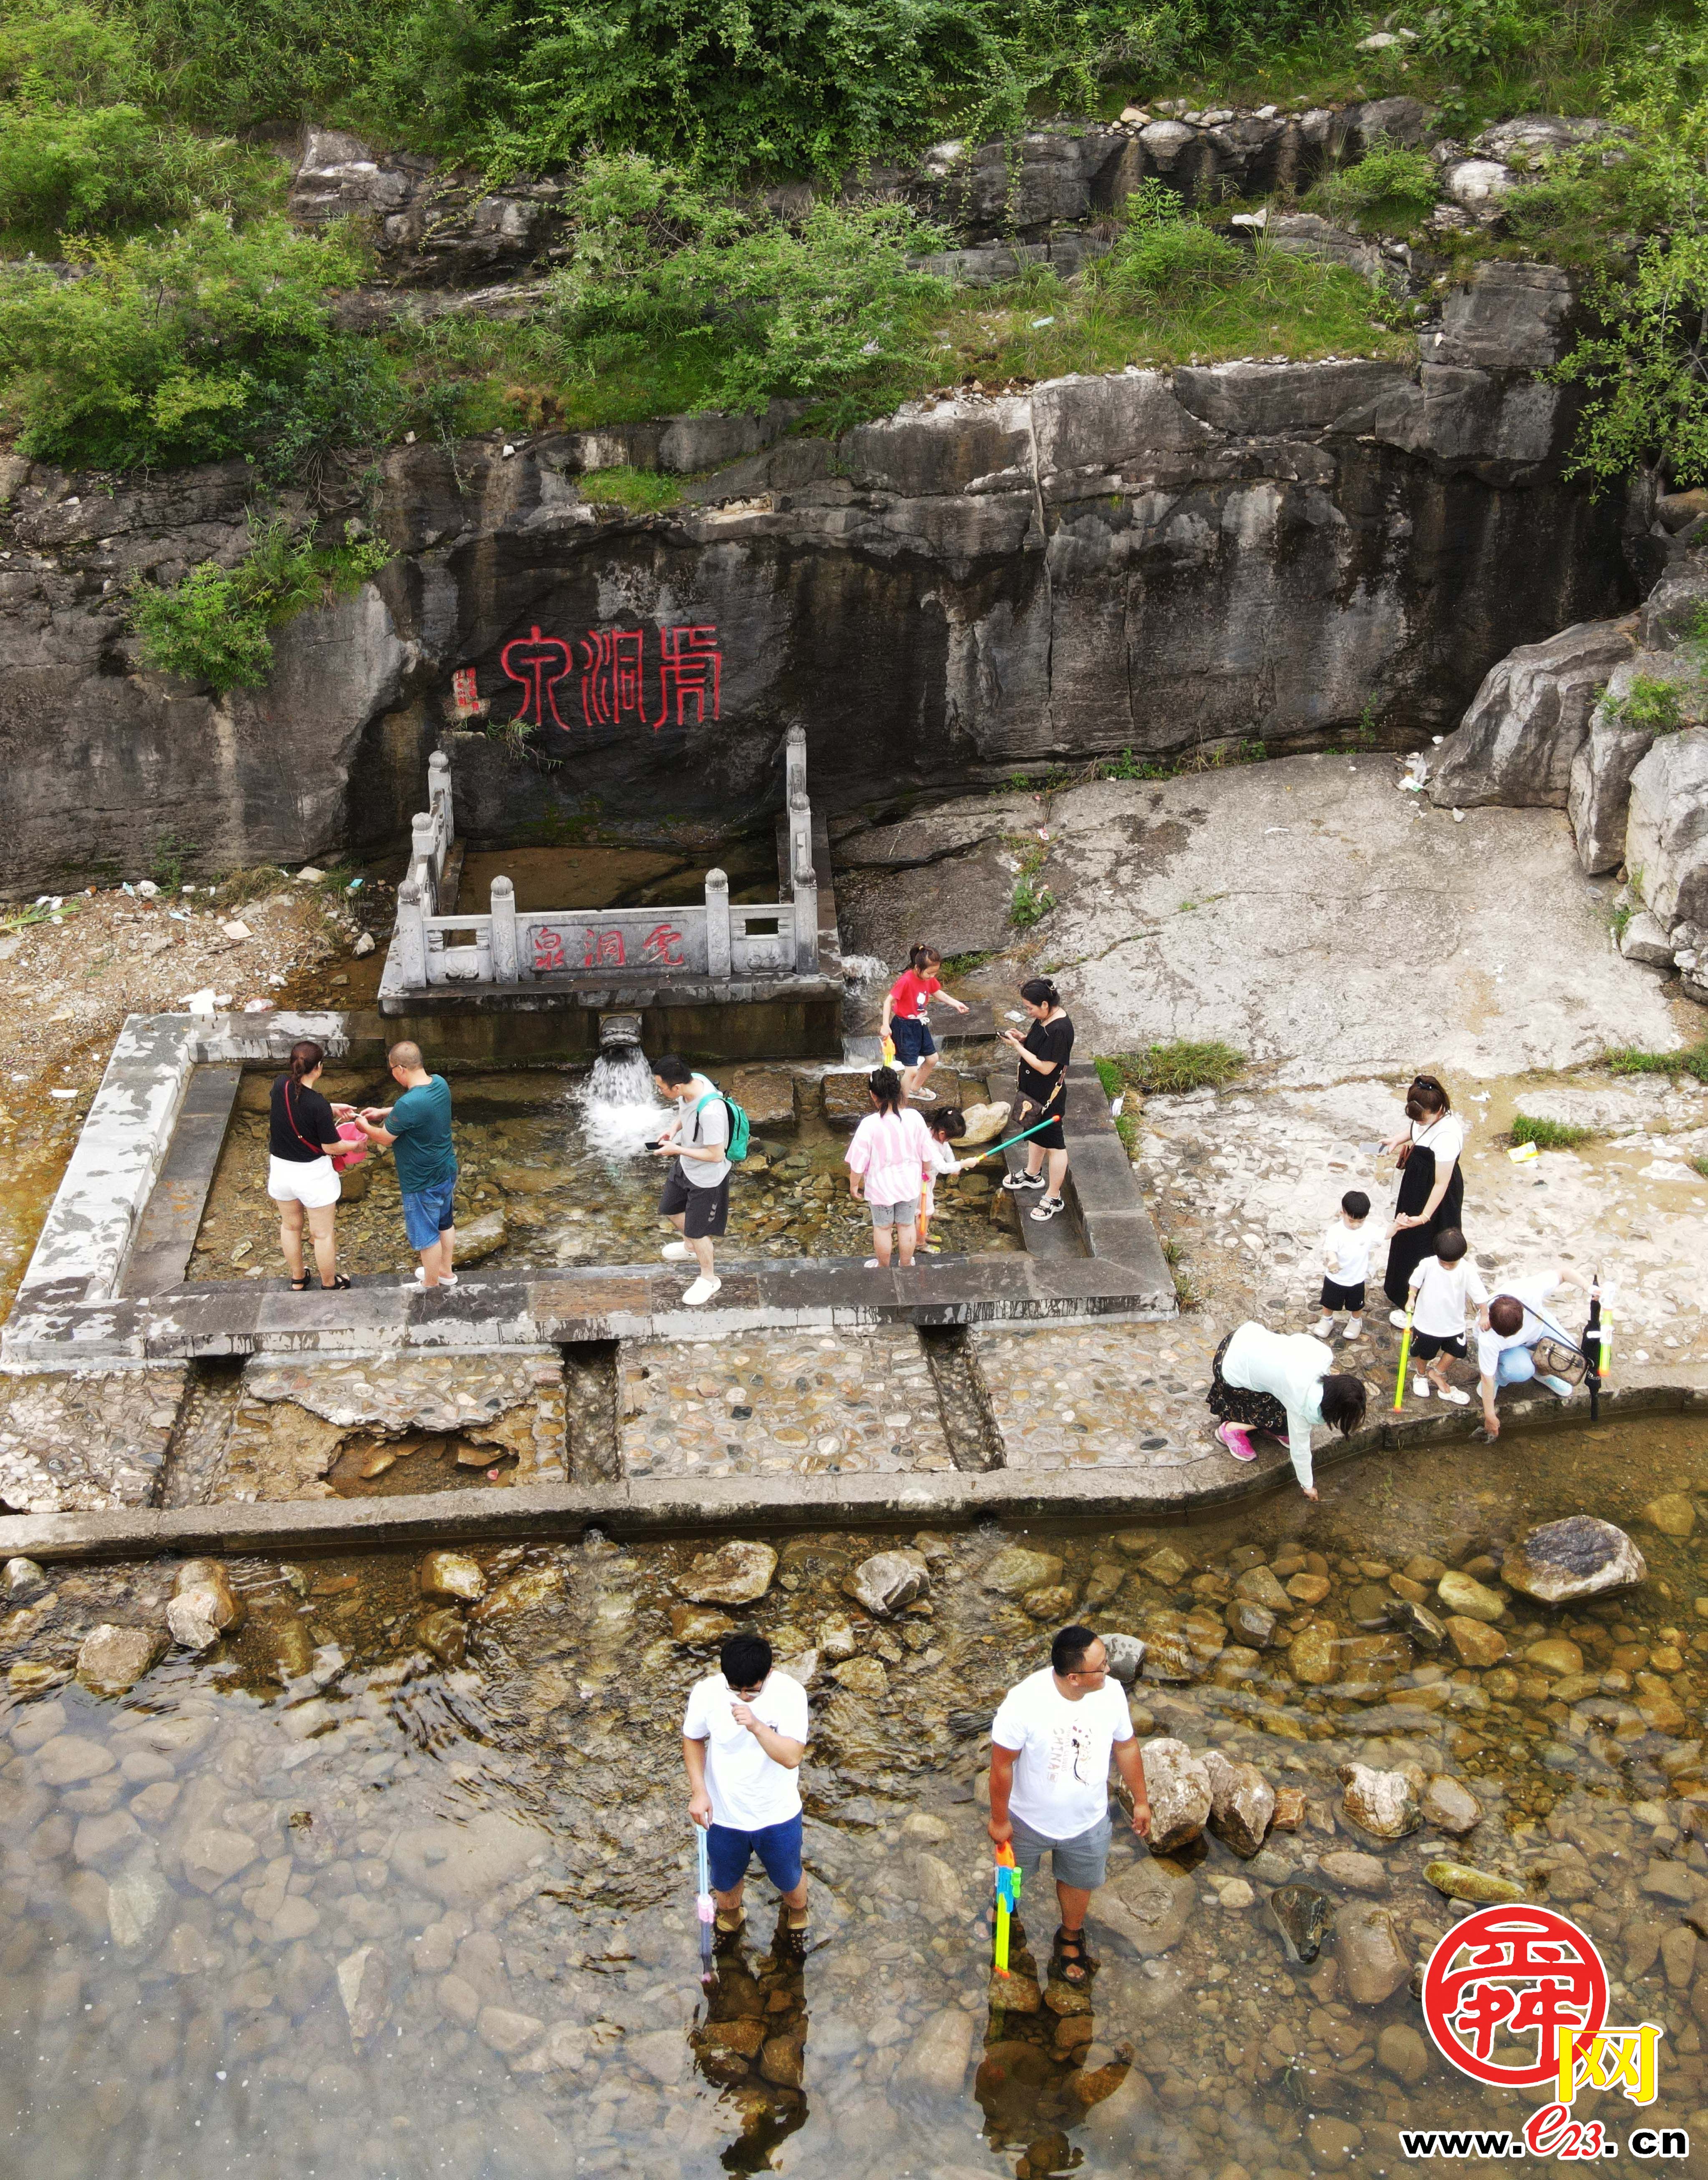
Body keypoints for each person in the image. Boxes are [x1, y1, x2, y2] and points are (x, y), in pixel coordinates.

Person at [988, 1626, 1151, 1989]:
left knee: (1080, 1882)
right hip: (1027, 1820)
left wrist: (1141, 1800)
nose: (1109, 1671)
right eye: (1101, 1667)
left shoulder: (1111, 1694)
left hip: (1088, 1821)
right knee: (1012, 1883)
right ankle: (1006, 1915)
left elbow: (1125, 1746)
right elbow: (1001, 1765)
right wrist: (999, 1820)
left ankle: (1071, 1937)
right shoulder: (1024, 1702)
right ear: (1074, 1678)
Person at [683, 1632, 810, 1945]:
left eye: (751, 1690)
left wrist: (755, 1724)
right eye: (735, 1689)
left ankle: (796, 1915)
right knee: (724, 1884)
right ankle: (731, 1917)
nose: (742, 1696)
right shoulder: (707, 1693)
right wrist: (699, 1791)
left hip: (777, 1814)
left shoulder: (790, 1693)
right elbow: (693, 1738)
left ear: (768, 1674)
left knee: (789, 1879)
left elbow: (792, 1757)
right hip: (725, 1816)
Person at [1207, 1321, 1368, 1499]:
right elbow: (1300, 1450)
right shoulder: (1300, 1404)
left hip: (1243, 1337)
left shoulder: (1322, 1355)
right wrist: (1308, 1486)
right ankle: (1232, 1430)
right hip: (1229, 1367)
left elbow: (1298, 1340)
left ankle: (1272, 1427)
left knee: (1283, 1405)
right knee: (1282, 1421)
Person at [350, 1041, 458, 1290]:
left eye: (392, 1070)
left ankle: (430, 1285)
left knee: (426, 1237)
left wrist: (365, 1127)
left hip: (421, 1181)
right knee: (445, 1223)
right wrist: (384, 1112)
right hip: (446, 1171)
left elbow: (386, 1138)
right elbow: (416, 1110)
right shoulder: (440, 1083)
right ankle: (446, 1272)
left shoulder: (408, 1104)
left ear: (400, 1070)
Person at [267, 1038, 352, 1293]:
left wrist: (330, 1109)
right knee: (323, 1235)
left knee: (291, 1227)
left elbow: (295, 1104)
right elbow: (331, 1147)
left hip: (281, 1171)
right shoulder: (317, 1104)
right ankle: (329, 1283)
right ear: (319, 1068)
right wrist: (356, 1145)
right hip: (313, 1176)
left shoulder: (279, 1085)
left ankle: (298, 1279)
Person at [1475, 1264, 1595, 1437]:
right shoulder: (1488, 1337)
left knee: (1570, 1354)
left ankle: (1543, 1372)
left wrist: (1588, 1287)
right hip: (1509, 1350)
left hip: (1538, 1330)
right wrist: (1490, 1415)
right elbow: (1486, 1377)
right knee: (1521, 1370)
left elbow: (1563, 1272)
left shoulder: (1529, 1291)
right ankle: (1502, 1377)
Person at [1382, 1074, 1465, 1317]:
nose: (1419, 1123)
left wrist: (1425, 1216)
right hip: (1416, 1183)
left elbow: (1441, 1183)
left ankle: (1422, 1303)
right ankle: (1400, 1290)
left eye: (1423, 1118)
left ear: (1438, 1110)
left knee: (1425, 1244)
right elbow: (1416, 1128)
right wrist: (1398, 1140)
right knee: (1405, 1239)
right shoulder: (1425, 1117)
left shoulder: (1448, 1136)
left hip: (1435, 1195)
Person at [650, 1055, 730, 1307]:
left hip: (706, 1179)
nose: (659, 1091)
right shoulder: (694, 1084)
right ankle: (690, 1246)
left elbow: (716, 1155)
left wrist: (677, 1149)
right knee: (670, 1209)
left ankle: (709, 1278)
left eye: (661, 1087)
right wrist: (673, 1132)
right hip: (686, 1167)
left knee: (699, 1231)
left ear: (676, 1087)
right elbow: (685, 1112)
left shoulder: (712, 1111)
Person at [999, 978, 1073, 1224]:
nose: (1027, 1012)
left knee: (1055, 1145)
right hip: (1032, 1095)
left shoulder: (1060, 1030)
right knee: (1033, 1132)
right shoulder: (1044, 1018)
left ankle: (1054, 1197)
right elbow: (1038, 1046)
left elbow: (1045, 1066)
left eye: (1030, 1008)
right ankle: (1032, 1174)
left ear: (1045, 1003)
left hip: (1049, 1099)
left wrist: (1016, 1048)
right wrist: (1023, 1039)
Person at [845, 1067, 934, 1269]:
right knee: (906, 1225)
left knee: (883, 1228)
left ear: (872, 1095)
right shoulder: (914, 1118)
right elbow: (926, 1152)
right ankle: (906, 1264)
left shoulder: (869, 1125)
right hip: (909, 1184)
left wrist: (854, 1185)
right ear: (899, 1091)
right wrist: (926, 1172)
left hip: (880, 1188)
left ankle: (883, 1266)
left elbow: (858, 1162)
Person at [1403, 1226, 1488, 1404]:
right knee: (1423, 1353)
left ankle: (1438, 1372)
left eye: (1452, 1263)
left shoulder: (1467, 1270)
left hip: (1454, 1323)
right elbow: (1415, 1282)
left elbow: (1479, 1294)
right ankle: (1420, 1376)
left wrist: (1485, 1314)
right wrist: (1411, 1299)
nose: (1447, 1266)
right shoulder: (1428, 1264)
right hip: (1426, 1322)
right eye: (1444, 1262)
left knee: (1457, 1350)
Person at [882, 944, 970, 1103]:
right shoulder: (906, 981)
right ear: (917, 968)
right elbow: (888, 1001)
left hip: (920, 1024)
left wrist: (956, 1003)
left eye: (935, 973)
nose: (932, 976)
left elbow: (937, 992)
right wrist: (885, 1025)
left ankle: (914, 1089)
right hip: (904, 1027)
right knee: (911, 1070)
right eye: (930, 973)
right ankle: (899, 1103)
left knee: (932, 1059)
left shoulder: (928, 979)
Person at [1313, 1189, 1372, 1342]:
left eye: (1360, 1221)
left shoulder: (1368, 1230)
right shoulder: (1336, 1231)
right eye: (1352, 1221)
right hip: (1336, 1277)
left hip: (1356, 1278)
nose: (1356, 1225)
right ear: (1343, 1213)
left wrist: (1397, 1226)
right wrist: (1333, 1261)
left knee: (1356, 1304)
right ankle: (1327, 1320)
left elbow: (1384, 1235)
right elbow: (1330, 1249)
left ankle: (1355, 1321)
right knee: (1329, 1301)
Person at [918, 1104, 973, 1255]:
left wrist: (954, 1166)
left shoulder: (938, 1137)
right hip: (920, 1185)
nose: (950, 1141)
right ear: (943, 1134)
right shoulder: (930, 1145)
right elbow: (942, 1167)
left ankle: (922, 1234)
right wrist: (963, 1163)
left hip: (927, 1181)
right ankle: (920, 1243)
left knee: (926, 1211)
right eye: (951, 1138)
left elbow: (947, 1151)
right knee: (924, 1213)